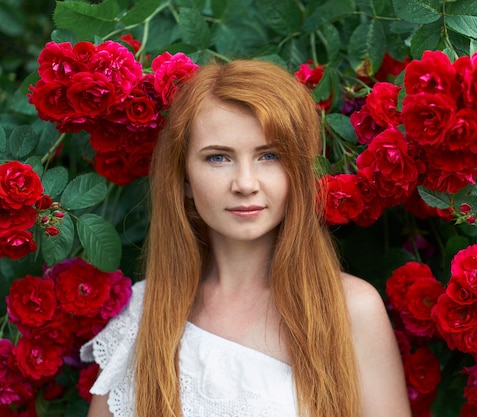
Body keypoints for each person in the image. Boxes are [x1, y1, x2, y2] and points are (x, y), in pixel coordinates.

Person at [81, 59, 411, 417]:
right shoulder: (143, 312)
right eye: (218, 158)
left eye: (269, 156)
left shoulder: (351, 309)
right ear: (185, 178)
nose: (245, 184)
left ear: (300, 171)